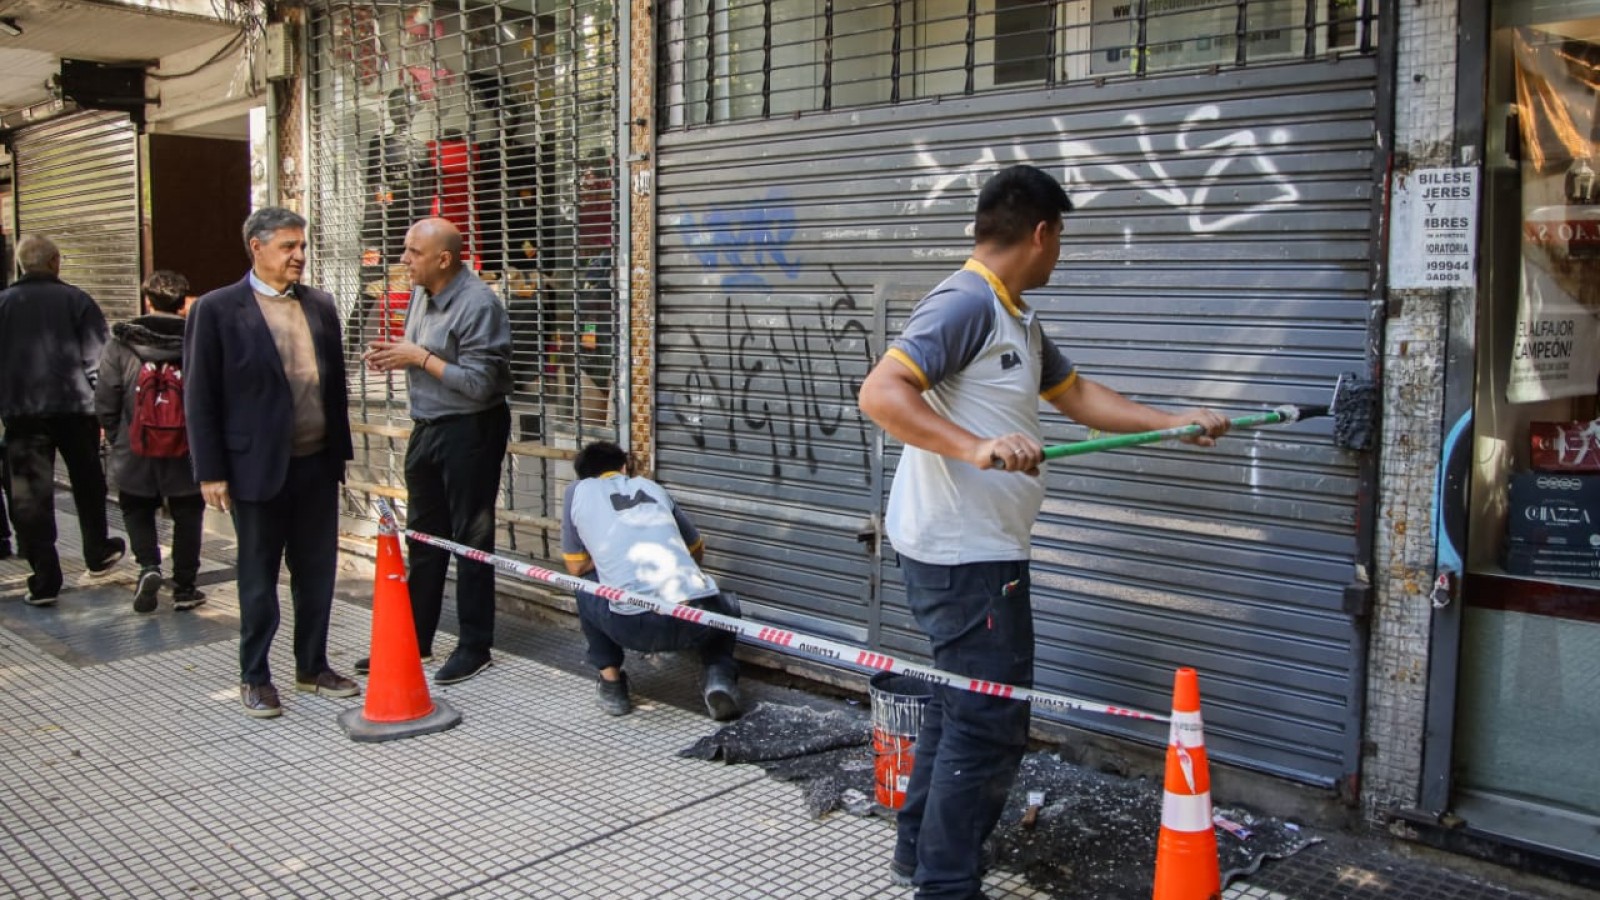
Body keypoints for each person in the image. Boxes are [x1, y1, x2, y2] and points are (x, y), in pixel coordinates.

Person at [856, 164, 1230, 900]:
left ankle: (918, 853)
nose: (1061, 252)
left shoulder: (1015, 316)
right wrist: (975, 446)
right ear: (1041, 232)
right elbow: (880, 391)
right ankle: (945, 885)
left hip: (977, 548)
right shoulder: (966, 302)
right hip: (966, 556)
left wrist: (1171, 423)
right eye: (1061, 238)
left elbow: (1076, 393)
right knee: (990, 723)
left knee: (962, 704)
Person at [185, 207, 358, 718]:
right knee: (259, 577)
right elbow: (200, 395)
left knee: (317, 572)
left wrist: (339, 454)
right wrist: (210, 470)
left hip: (316, 464)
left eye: (302, 246)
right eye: (288, 247)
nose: (299, 255)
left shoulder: (320, 305)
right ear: (256, 247)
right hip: (255, 468)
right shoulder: (217, 309)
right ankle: (255, 676)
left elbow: (333, 383)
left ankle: (313, 667)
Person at [363, 217, 512, 685]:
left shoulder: (479, 304)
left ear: (443, 259)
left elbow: (480, 384)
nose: (403, 260)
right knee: (423, 537)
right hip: (426, 426)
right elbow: (421, 355)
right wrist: (396, 356)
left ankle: (475, 646)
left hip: (471, 429)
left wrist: (419, 358)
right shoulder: (421, 293)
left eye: (413, 252)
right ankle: (416, 638)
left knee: (471, 538)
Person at [560, 441, 741, 721]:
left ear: (583, 475)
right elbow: (696, 549)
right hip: (697, 616)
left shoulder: (577, 491)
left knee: (586, 583)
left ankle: (611, 687)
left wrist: (604, 554)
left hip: (632, 625)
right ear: (624, 467)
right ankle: (719, 679)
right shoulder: (653, 487)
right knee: (727, 605)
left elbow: (576, 566)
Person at [0, 235, 126, 605]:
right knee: (88, 482)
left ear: (22, 264)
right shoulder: (78, 301)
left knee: (30, 495)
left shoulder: (3, 304)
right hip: (76, 411)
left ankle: (44, 577)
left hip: (22, 414)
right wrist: (107, 409)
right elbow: (99, 362)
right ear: (55, 262)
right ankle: (97, 550)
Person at [95, 270, 207, 614]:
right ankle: (185, 587)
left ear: (147, 301)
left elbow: (107, 396)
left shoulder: (121, 343)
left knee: (135, 506)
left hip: (136, 444)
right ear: (183, 302)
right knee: (188, 511)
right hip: (187, 446)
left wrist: (117, 436)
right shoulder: (198, 339)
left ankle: (148, 565)